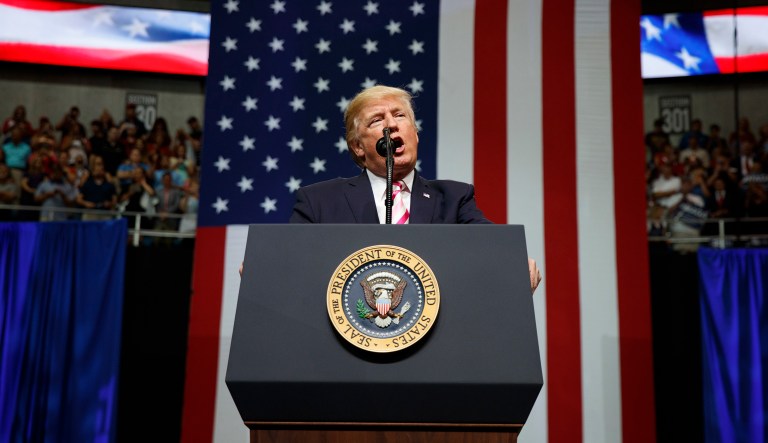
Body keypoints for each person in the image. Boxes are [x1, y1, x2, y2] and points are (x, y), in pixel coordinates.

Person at [242, 85, 542, 292]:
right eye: (377, 120)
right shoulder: (319, 200)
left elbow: (489, 245)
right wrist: (265, 267)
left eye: (400, 116)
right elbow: (290, 259)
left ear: (415, 134)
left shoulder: (454, 197)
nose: (392, 125)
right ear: (358, 147)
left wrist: (512, 262)